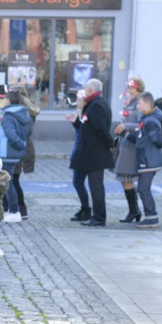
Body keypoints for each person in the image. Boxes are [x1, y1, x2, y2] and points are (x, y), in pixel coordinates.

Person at [114, 91, 162, 228]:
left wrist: (150, 142)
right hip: (146, 159)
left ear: (147, 104)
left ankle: (152, 218)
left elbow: (158, 141)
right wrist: (125, 133)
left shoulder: (150, 121)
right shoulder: (146, 119)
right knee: (143, 189)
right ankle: (150, 216)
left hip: (149, 160)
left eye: (140, 103)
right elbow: (139, 138)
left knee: (143, 189)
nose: (137, 106)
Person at [70, 78, 115, 226]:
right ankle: (96, 215)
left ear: (90, 90)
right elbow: (86, 124)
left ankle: (99, 217)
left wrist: (111, 143)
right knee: (93, 184)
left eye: (86, 88)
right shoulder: (95, 103)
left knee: (96, 186)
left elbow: (100, 128)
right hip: (92, 152)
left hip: (95, 153)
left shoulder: (96, 105)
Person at [0, 90, 30, 223]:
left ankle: (14, 211)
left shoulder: (9, 115)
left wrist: (20, 144)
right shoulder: (20, 113)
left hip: (7, 153)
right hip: (11, 152)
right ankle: (11, 210)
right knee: (8, 181)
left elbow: (11, 134)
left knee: (7, 182)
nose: (4, 102)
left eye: (5, 99)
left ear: (8, 101)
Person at [114, 77, 146, 223]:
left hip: (131, 145)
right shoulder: (129, 102)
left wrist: (126, 127)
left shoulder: (139, 102)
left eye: (132, 86)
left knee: (126, 177)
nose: (129, 88)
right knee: (123, 178)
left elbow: (141, 124)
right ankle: (133, 210)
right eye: (128, 86)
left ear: (138, 87)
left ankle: (134, 210)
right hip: (125, 143)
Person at [8, 85, 37, 220]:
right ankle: (16, 207)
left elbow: (27, 131)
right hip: (21, 148)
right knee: (13, 179)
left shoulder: (23, 112)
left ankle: (20, 208)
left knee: (13, 179)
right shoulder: (24, 110)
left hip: (19, 149)